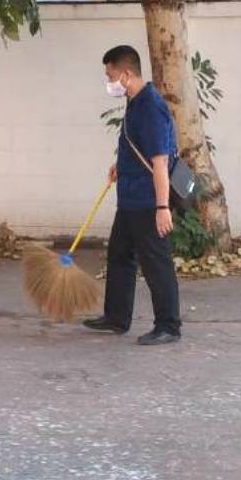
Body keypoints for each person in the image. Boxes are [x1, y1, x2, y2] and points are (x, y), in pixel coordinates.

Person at [84, 45, 182, 346]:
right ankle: (116, 317)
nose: (108, 81)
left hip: (147, 201)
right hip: (129, 198)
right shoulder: (135, 101)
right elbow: (136, 144)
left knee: (156, 262)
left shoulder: (150, 105)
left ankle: (168, 326)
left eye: (110, 75)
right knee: (119, 256)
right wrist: (120, 165)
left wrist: (162, 206)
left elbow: (160, 160)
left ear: (126, 74)